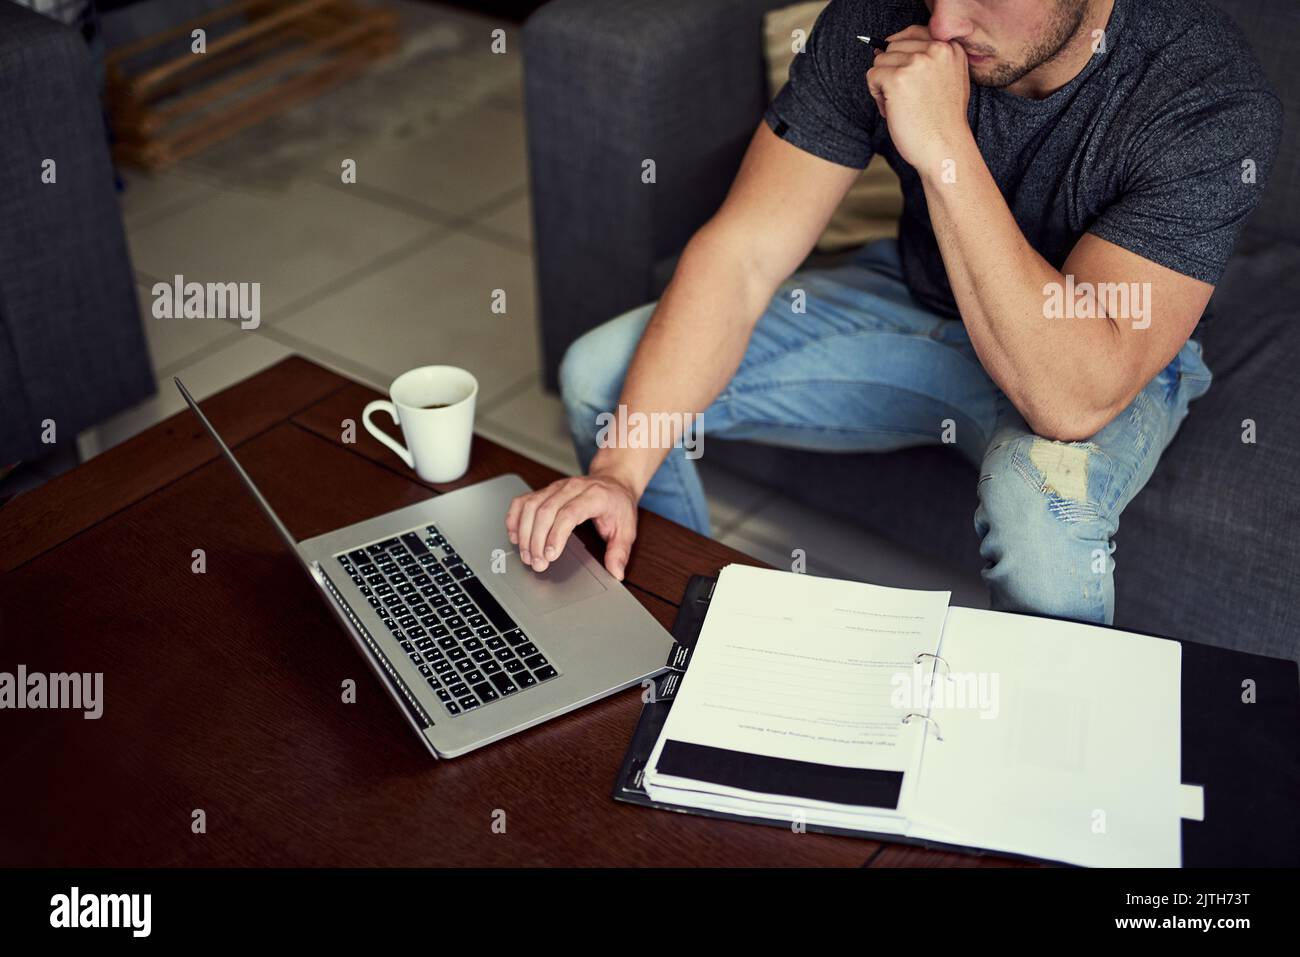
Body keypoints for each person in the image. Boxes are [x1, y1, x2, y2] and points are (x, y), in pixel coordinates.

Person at [505, 0, 1281, 626]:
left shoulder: (1205, 93)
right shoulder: (881, 19)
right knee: (605, 379)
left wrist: (942, 144)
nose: (942, 24)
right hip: (918, 301)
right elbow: (742, 255)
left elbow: (1069, 397)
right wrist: (614, 474)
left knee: (1040, 497)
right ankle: (696, 651)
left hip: (1094, 353)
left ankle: (1044, 766)